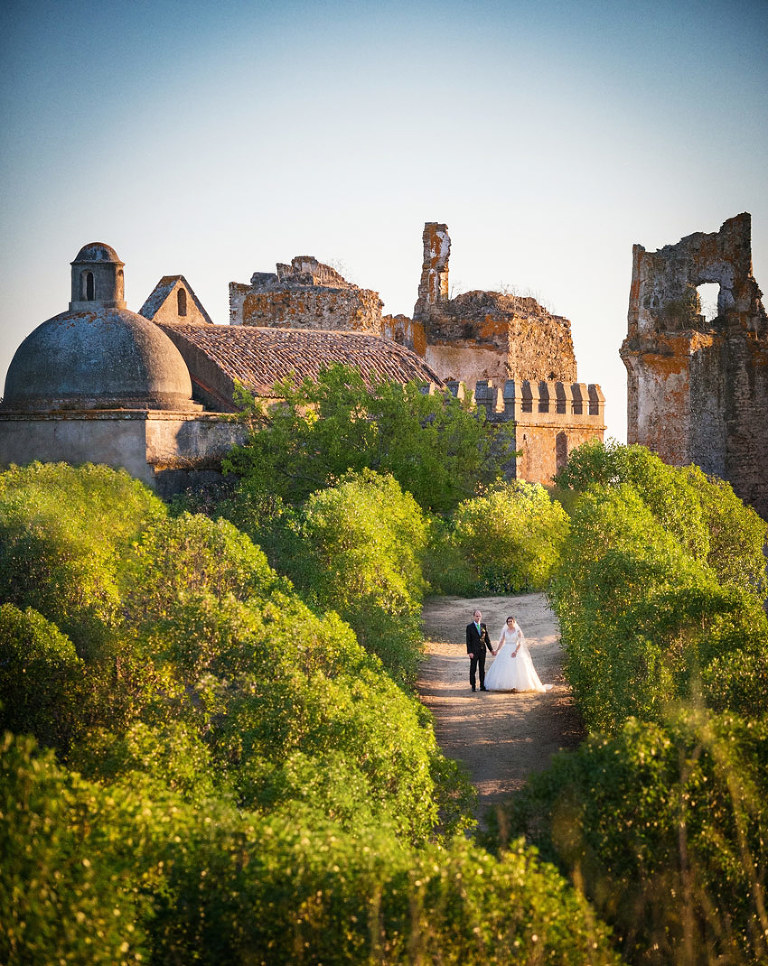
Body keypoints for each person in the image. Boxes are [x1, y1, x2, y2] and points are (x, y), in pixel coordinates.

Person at [484, 616, 552, 693]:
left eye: (511, 621)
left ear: (514, 622)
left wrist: (516, 651)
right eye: (508, 622)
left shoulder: (517, 631)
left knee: (517, 667)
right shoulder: (505, 631)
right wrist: (497, 650)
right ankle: (505, 685)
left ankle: (516, 685)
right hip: (506, 649)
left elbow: (520, 642)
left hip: (514, 649)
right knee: (504, 666)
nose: (509, 623)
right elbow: (502, 641)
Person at [466, 608, 494, 691]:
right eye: (476, 616)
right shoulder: (469, 627)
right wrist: (469, 652)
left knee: (482, 669)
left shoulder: (483, 626)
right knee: (473, 669)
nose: (478, 618)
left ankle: (482, 686)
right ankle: (473, 686)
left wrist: (491, 650)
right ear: (474, 616)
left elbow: (487, 639)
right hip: (474, 652)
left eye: (479, 616)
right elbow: (468, 640)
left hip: (482, 650)